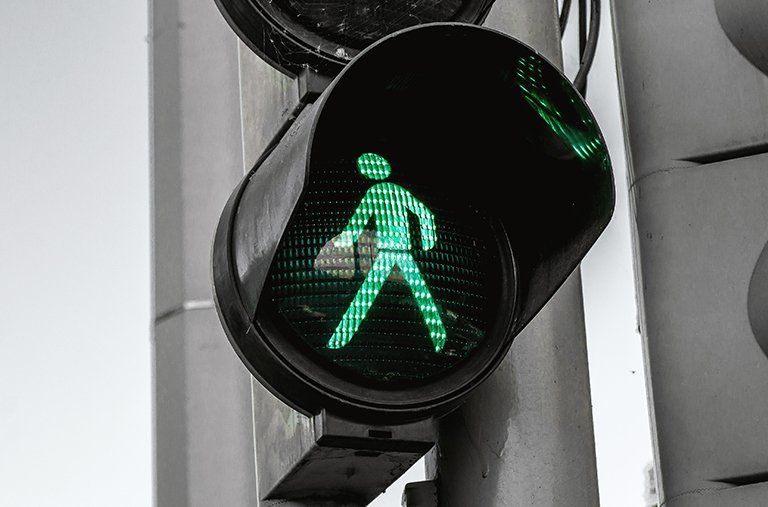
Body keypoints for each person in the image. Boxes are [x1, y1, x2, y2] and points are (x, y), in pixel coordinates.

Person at [327, 152, 447, 352]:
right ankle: (439, 337)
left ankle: (341, 337)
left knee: (367, 293)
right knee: (421, 294)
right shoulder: (399, 191)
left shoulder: (375, 192)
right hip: (402, 250)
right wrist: (428, 240)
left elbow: (359, 220)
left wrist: (345, 242)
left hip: (388, 252)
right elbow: (424, 213)